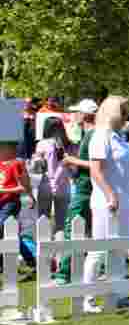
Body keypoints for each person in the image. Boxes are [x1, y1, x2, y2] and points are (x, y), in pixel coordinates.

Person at [84, 96, 129, 312]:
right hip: (106, 202)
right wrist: (110, 195)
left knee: (119, 248)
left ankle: (119, 295)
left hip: (124, 200)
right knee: (99, 251)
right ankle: (88, 299)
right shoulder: (100, 136)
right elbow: (96, 170)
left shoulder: (120, 137)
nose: (127, 116)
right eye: (123, 112)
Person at [57, 99, 98, 285]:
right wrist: (72, 165)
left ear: (85, 115)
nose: (74, 115)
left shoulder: (92, 135)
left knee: (72, 229)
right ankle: (91, 271)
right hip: (88, 187)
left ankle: (64, 274)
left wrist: (72, 160)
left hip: (86, 190)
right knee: (90, 231)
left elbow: (97, 165)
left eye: (77, 112)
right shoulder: (88, 134)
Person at [0, 140, 37, 274]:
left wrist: (31, 196)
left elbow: (23, 186)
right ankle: (31, 261)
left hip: (10, 203)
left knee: (2, 228)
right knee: (11, 234)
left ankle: (4, 264)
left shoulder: (16, 163)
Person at [33, 117, 71, 235]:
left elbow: (38, 169)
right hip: (63, 184)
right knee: (62, 221)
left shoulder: (42, 144)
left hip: (47, 184)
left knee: (43, 218)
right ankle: (60, 242)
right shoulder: (69, 144)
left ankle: (44, 242)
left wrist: (37, 160)